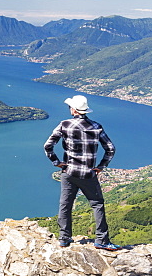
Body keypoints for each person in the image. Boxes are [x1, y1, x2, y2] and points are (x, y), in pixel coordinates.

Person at [43, 95, 124, 251]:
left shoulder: (64, 125)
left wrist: (57, 162)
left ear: (73, 109)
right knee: (97, 204)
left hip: (69, 172)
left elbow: (48, 146)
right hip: (88, 174)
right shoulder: (96, 126)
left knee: (65, 205)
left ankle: (64, 238)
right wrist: (101, 166)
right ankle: (101, 240)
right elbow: (110, 149)